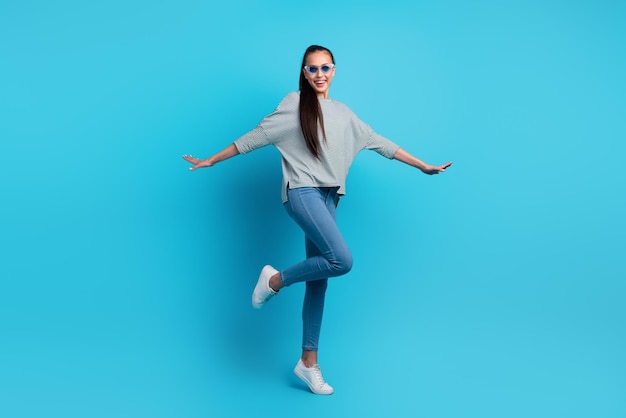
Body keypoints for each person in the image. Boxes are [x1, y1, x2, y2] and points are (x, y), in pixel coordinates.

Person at [183, 45, 452, 395]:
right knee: (342, 261)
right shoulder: (293, 104)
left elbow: (380, 143)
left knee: (320, 278)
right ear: (304, 73)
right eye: (312, 69)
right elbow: (255, 136)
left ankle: (308, 363)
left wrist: (422, 165)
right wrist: (211, 160)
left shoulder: (343, 113)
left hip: (328, 197)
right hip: (302, 192)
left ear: (335, 70)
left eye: (325, 68)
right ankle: (275, 280)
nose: (320, 74)